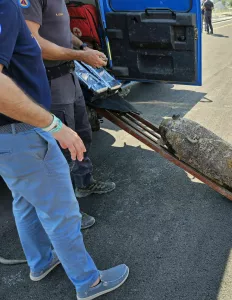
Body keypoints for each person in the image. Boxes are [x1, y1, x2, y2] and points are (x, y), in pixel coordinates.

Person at [0, 1, 128, 299]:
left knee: (25, 201)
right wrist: (54, 125)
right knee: (62, 211)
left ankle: (41, 262)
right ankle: (88, 282)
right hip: (22, 131)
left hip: (9, 135)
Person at [21, 0, 116, 228]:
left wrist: (83, 47)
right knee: (61, 149)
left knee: (81, 135)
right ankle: (67, 211)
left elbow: (60, 32)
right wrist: (80, 56)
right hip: (50, 80)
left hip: (70, 76)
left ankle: (84, 183)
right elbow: (34, 42)